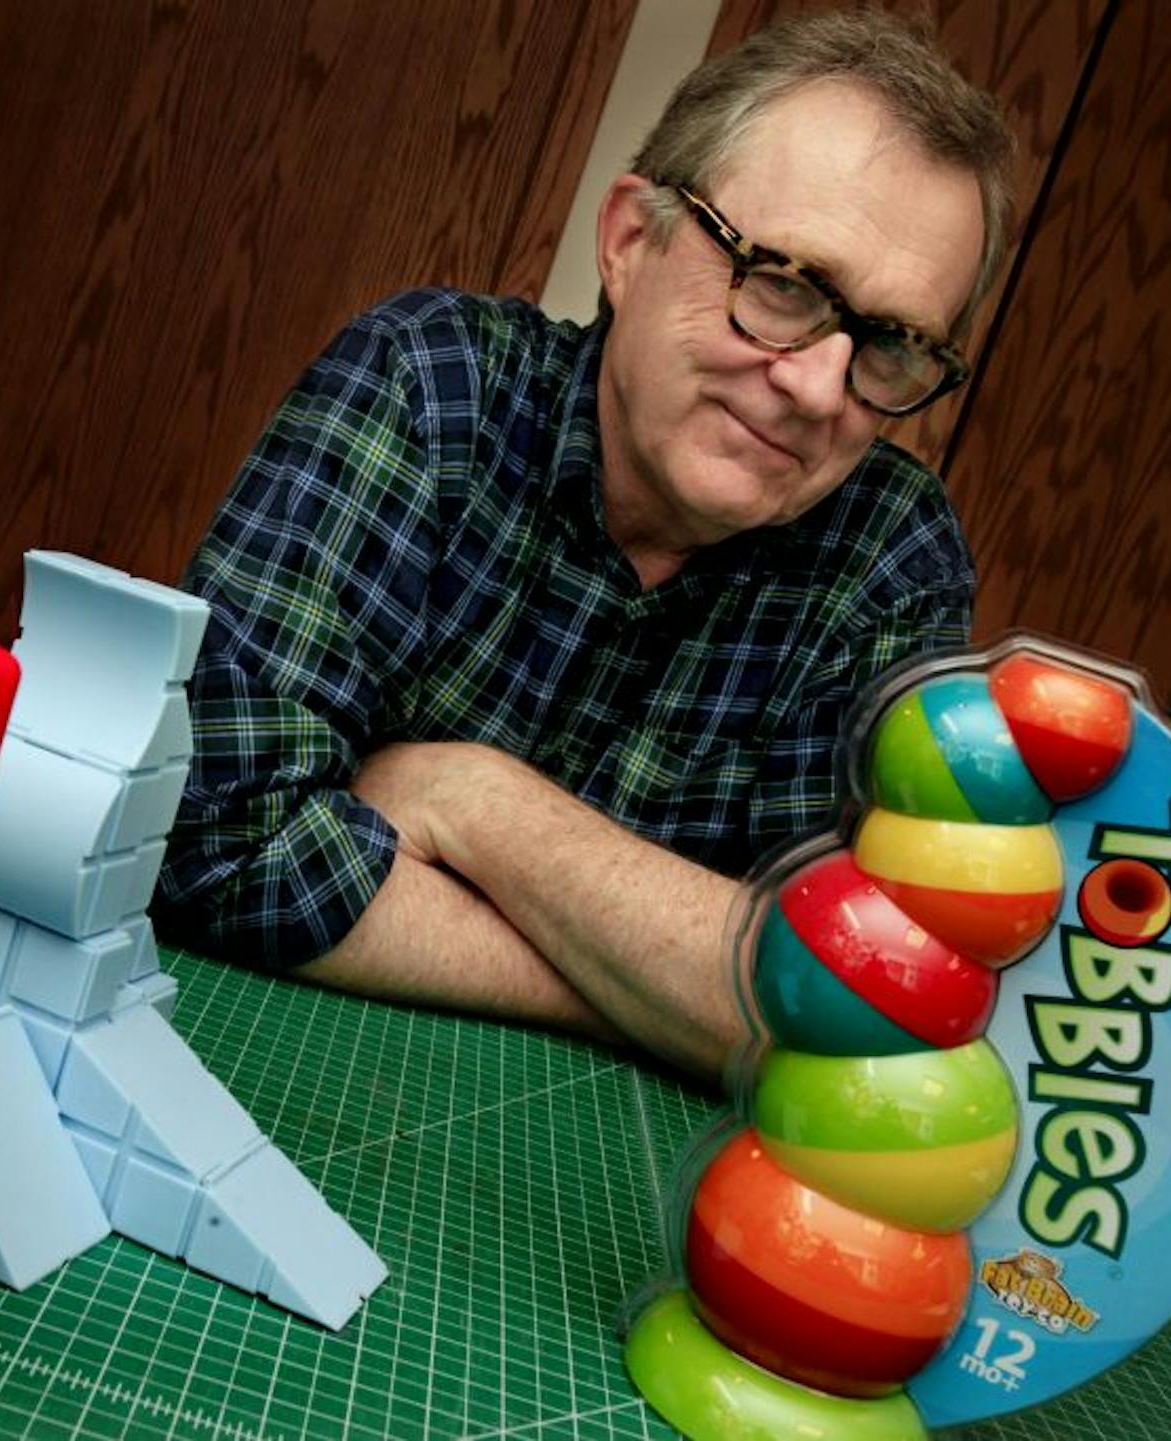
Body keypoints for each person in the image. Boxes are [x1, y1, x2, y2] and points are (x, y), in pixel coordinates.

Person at [153, 10, 1015, 1080]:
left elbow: (858, 1002)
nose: (815, 386)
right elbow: (216, 836)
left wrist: (475, 802)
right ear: (630, 242)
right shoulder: (432, 384)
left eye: (890, 344)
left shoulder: (892, 560)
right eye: (784, 283)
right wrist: (663, 988)